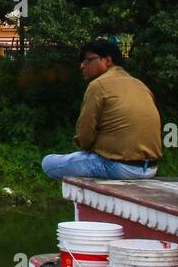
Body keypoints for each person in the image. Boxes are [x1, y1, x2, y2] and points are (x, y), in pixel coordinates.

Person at [41, 39, 161, 180]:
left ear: (107, 60)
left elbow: (85, 140)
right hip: (150, 169)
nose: (82, 66)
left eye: (87, 61)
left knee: (48, 163)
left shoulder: (98, 85)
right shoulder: (140, 85)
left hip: (119, 168)